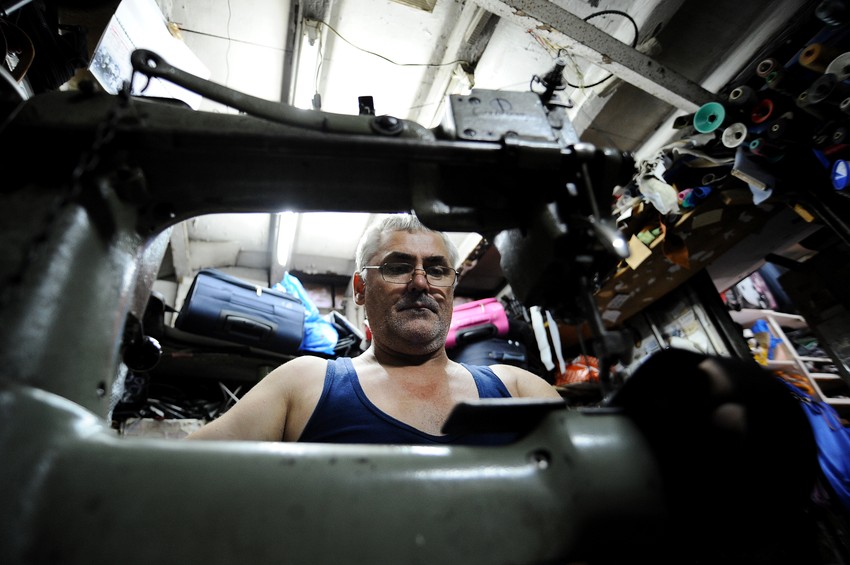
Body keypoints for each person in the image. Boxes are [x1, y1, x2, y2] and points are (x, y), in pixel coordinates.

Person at [185, 213, 562, 444]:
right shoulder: (303, 384)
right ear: (360, 289)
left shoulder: (518, 389)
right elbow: (177, 475)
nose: (420, 282)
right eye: (398, 267)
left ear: (451, 287)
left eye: (436, 269)